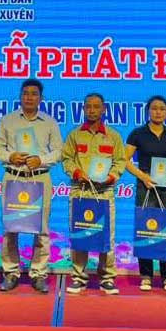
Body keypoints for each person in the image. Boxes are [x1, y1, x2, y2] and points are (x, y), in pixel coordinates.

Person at [0, 79, 63, 294]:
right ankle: (11, 272)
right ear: (20, 96)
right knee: (10, 228)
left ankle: (39, 273)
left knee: (41, 228)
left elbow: (59, 152)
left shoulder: (50, 122)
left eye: (34, 94)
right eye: (25, 93)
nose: (29, 97)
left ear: (41, 98)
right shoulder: (8, 120)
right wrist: (10, 156)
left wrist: (41, 160)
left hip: (39, 178)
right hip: (14, 177)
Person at [63, 92, 126, 295]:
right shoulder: (74, 135)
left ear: (103, 109)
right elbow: (66, 159)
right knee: (80, 233)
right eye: (88, 106)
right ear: (83, 109)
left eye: (96, 106)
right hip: (80, 191)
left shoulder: (113, 136)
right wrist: (76, 172)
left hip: (104, 191)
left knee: (106, 235)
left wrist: (112, 176)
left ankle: (107, 277)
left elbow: (120, 162)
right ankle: (79, 277)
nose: (92, 110)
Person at [124, 95, 166, 292]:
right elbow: (125, 160)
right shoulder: (138, 134)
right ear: (148, 111)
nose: (158, 112)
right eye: (154, 108)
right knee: (146, 229)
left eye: (162, 108)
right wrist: (142, 176)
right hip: (146, 187)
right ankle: (146, 275)